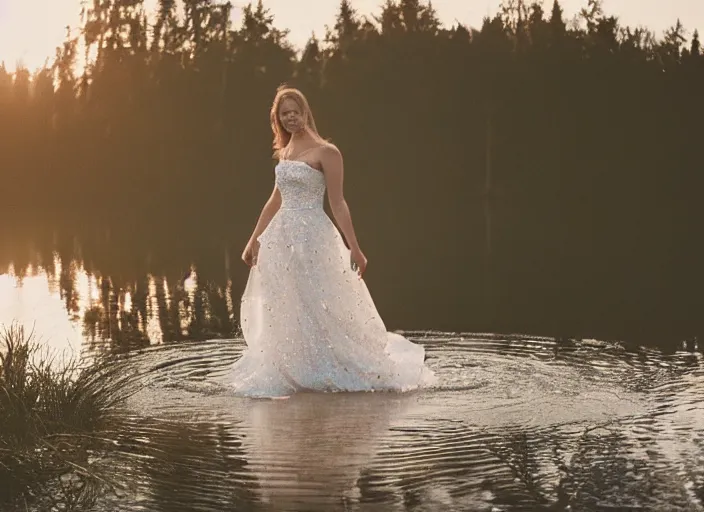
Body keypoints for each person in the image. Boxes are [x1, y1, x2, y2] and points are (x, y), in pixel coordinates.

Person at [226, 85, 435, 398]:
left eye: (295, 111)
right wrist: (253, 239)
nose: (291, 117)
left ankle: (330, 363)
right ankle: (294, 366)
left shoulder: (327, 152)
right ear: (278, 119)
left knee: (321, 301)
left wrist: (355, 247)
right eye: (285, 114)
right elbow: (274, 199)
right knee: (289, 304)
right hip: (283, 239)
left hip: (313, 237)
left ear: (306, 112)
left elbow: (338, 203)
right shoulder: (285, 152)